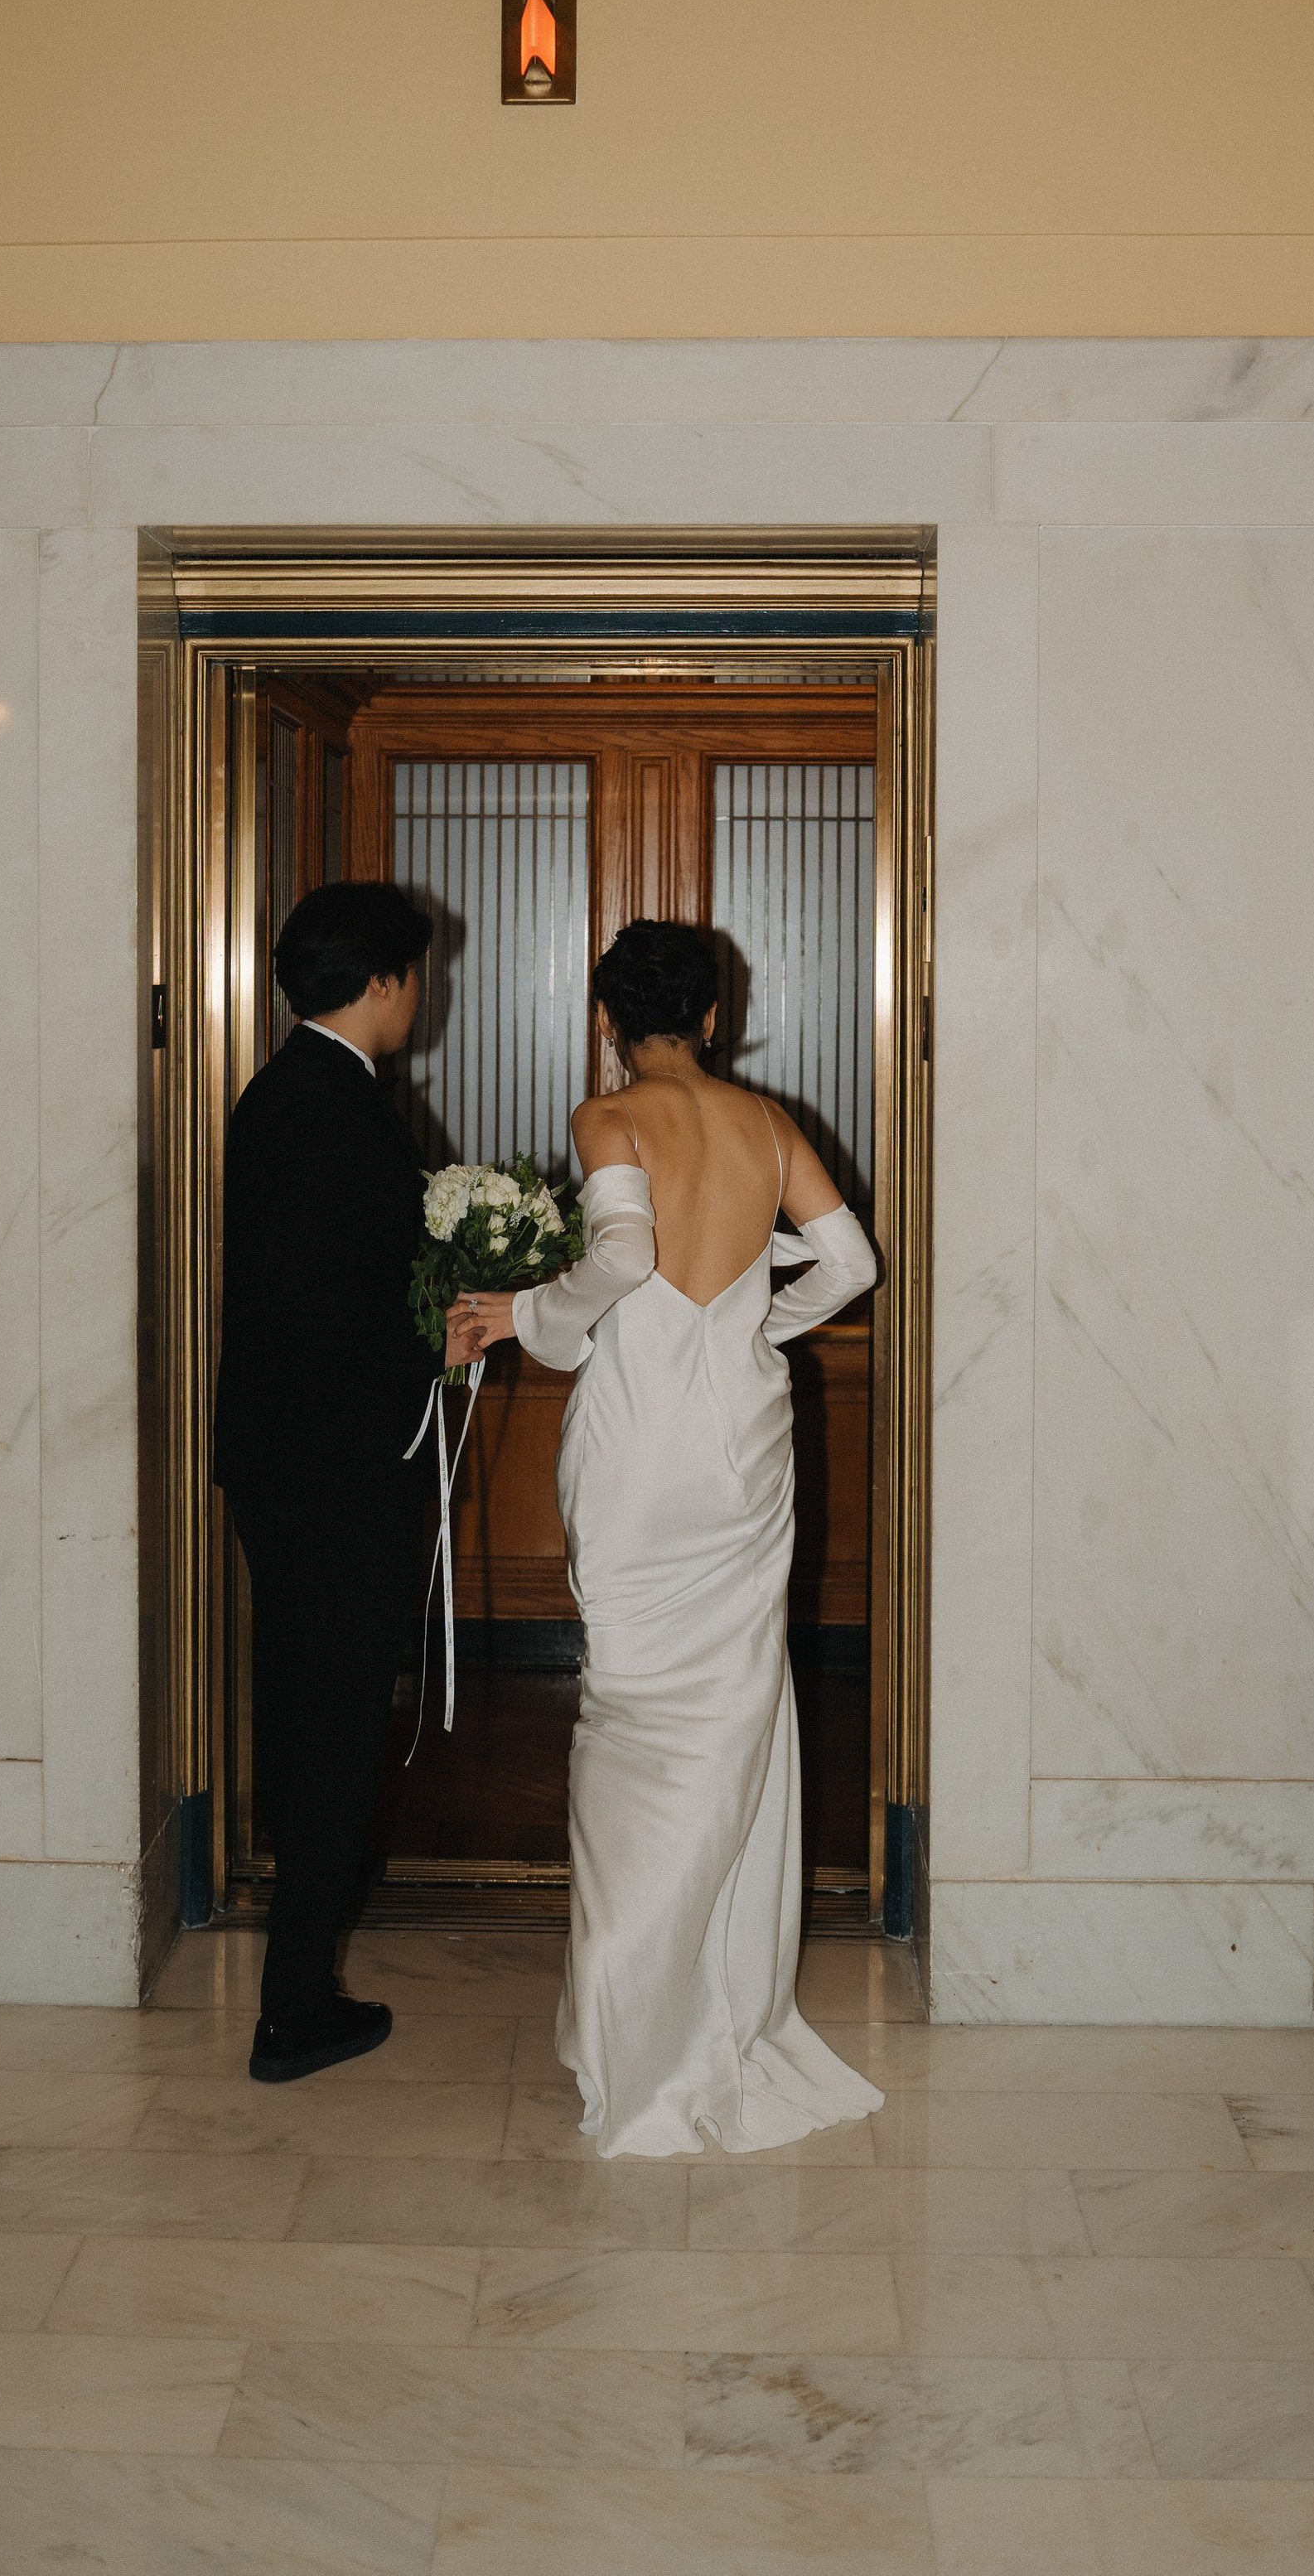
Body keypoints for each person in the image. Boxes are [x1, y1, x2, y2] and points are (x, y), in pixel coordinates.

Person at [447, 917, 884, 2158]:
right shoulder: (768, 1124)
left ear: (608, 1020)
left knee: (631, 1710)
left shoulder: (608, 1116)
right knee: (737, 1704)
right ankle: (718, 2010)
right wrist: (750, 1327)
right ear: (713, 1016)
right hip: (743, 1447)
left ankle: (633, 2031)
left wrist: (532, 1314)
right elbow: (850, 1265)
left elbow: (626, 1252)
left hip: (641, 1447)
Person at [215, 879, 439, 2084]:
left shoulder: (286, 1091)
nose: (422, 998)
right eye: (417, 976)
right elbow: (323, 1312)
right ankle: (293, 2011)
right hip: (333, 1473)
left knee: (314, 1720)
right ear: (384, 980)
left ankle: (297, 1989)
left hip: (291, 1462)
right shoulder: (328, 1103)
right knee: (335, 1729)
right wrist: (437, 1341)